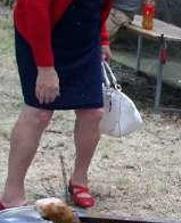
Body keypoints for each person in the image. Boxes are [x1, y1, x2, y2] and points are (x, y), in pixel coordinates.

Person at [1, 0, 114, 211]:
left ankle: (79, 180)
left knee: (93, 112)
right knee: (39, 112)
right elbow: (34, 9)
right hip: (39, 34)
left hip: (84, 40)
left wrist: (103, 38)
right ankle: (11, 195)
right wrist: (45, 68)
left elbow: (100, 5)